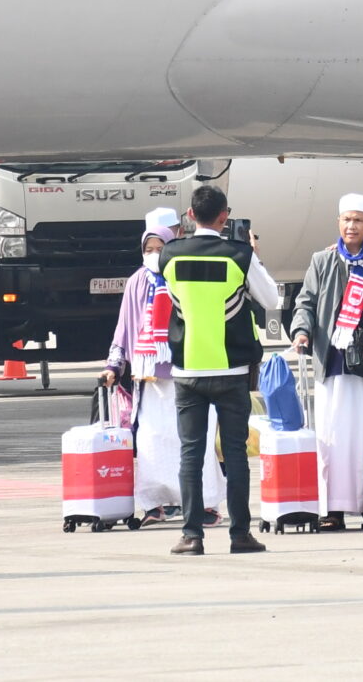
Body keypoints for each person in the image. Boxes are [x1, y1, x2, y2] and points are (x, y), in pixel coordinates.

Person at [162, 184, 276, 554]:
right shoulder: (239, 255)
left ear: (190, 215)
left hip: (187, 369)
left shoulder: (169, 254)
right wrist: (254, 256)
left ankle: (191, 535)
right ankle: (240, 535)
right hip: (232, 369)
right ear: (225, 216)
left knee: (191, 455)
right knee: (236, 454)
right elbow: (271, 298)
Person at [105, 208, 226, 521]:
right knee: (152, 441)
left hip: (188, 372)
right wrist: (113, 365)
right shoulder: (136, 282)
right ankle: (155, 503)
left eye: (161, 248)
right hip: (150, 379)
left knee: (194, 439)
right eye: (149, 249)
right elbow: (124, 328)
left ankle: (205, 503)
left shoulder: (185, 275)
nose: (154, 254)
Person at [291, 192, 363, 531]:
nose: (351, 225)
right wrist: (301, 331)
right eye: (346, 219)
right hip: (333, 361)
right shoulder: (323, 260)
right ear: (338, 222)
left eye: (358, 220)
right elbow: (306, 302)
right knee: (332, 439)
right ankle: (333, 510)